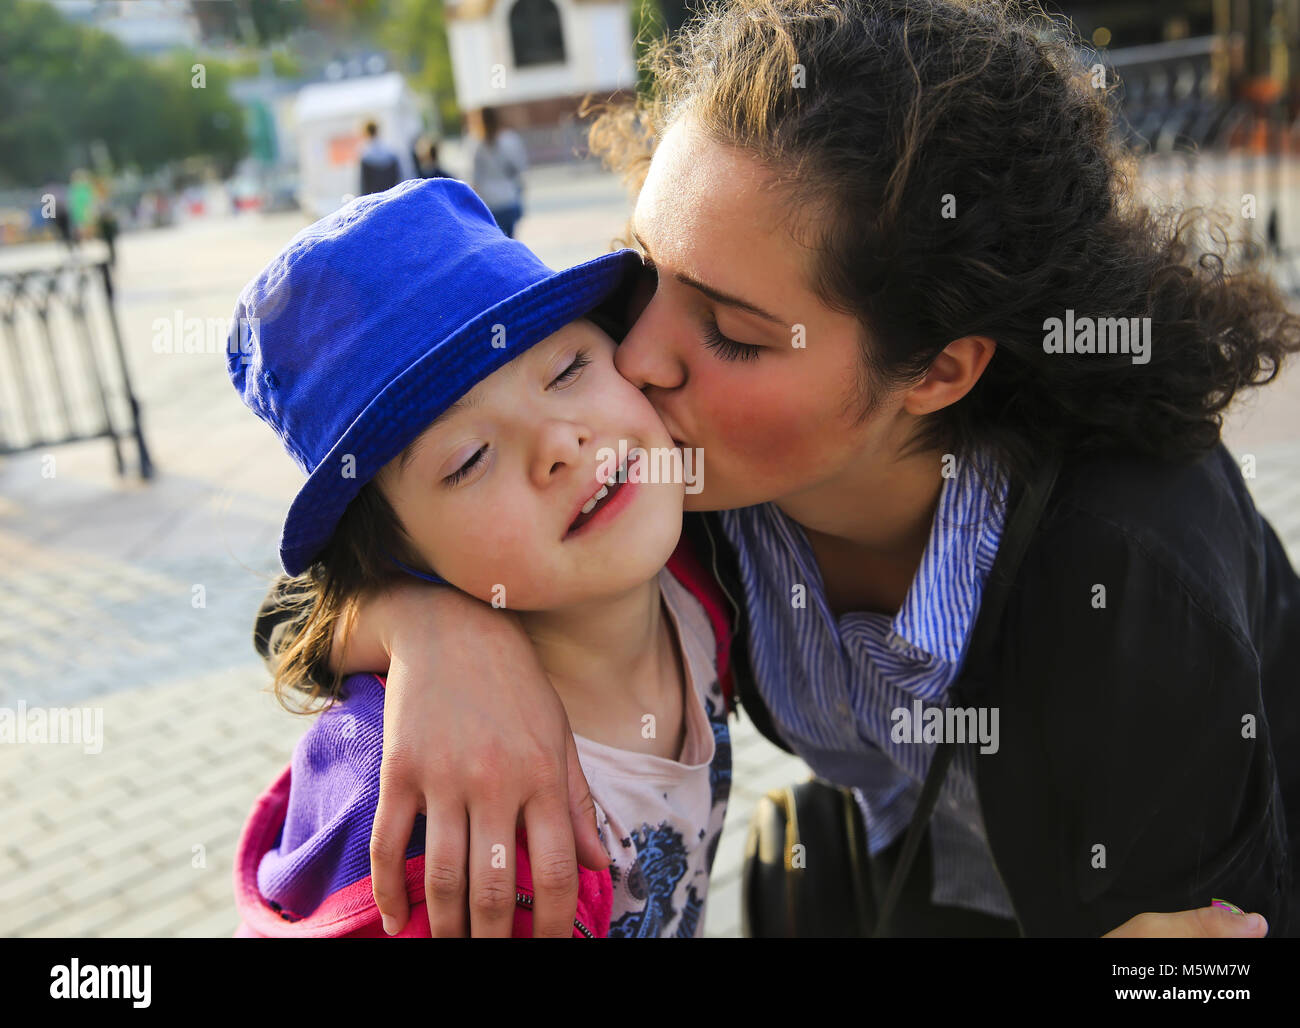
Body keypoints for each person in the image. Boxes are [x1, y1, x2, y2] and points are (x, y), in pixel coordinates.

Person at [256, 0, 1300, 938]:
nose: (637, 355)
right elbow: (303, 603)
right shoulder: (667, 480)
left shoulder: (1133, 570)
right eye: (646, 274)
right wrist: (440, 637)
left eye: (733, 332)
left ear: (937, 368)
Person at [229, 178, 733, 938]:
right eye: (469, 459)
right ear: (395, 559)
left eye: (567, 370)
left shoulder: (702, 575)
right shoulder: (448, 851)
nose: (561, 444)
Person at [467, 106, 527, 237]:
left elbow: (474, 177)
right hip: (509, 197)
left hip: (489, 202)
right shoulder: (509, 139)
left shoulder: (476, 144)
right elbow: (519, 167)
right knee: (511, 240)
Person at [358, 119, 401, 196]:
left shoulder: (365, 154)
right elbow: (397, 176)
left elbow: (364, 184)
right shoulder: (389, 150)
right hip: (390, 194)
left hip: (373, 197)